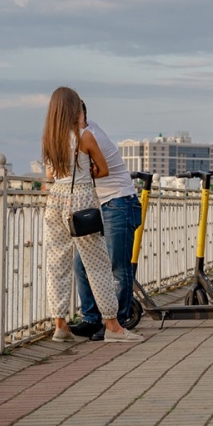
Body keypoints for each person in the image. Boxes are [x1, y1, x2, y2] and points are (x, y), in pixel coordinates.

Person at [40, 87, 142, 343]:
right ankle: (113, 326)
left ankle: (60, 324)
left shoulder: (48, 139)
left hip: (54, 202)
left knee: (57, 265)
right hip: (81, 201)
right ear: (75, 109)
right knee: (97, 266)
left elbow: (50, 177)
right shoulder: (84, 136)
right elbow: (104, 170)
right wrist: (88, 170)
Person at [68, 102, 144, 341]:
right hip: (102, 205)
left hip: (120, 202)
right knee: (81, 264)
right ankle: (91, 318)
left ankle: (117, 324)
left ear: (78, 114)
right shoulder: (81, 133)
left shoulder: (87, 135)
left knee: (118, 267)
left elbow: (96, 171)